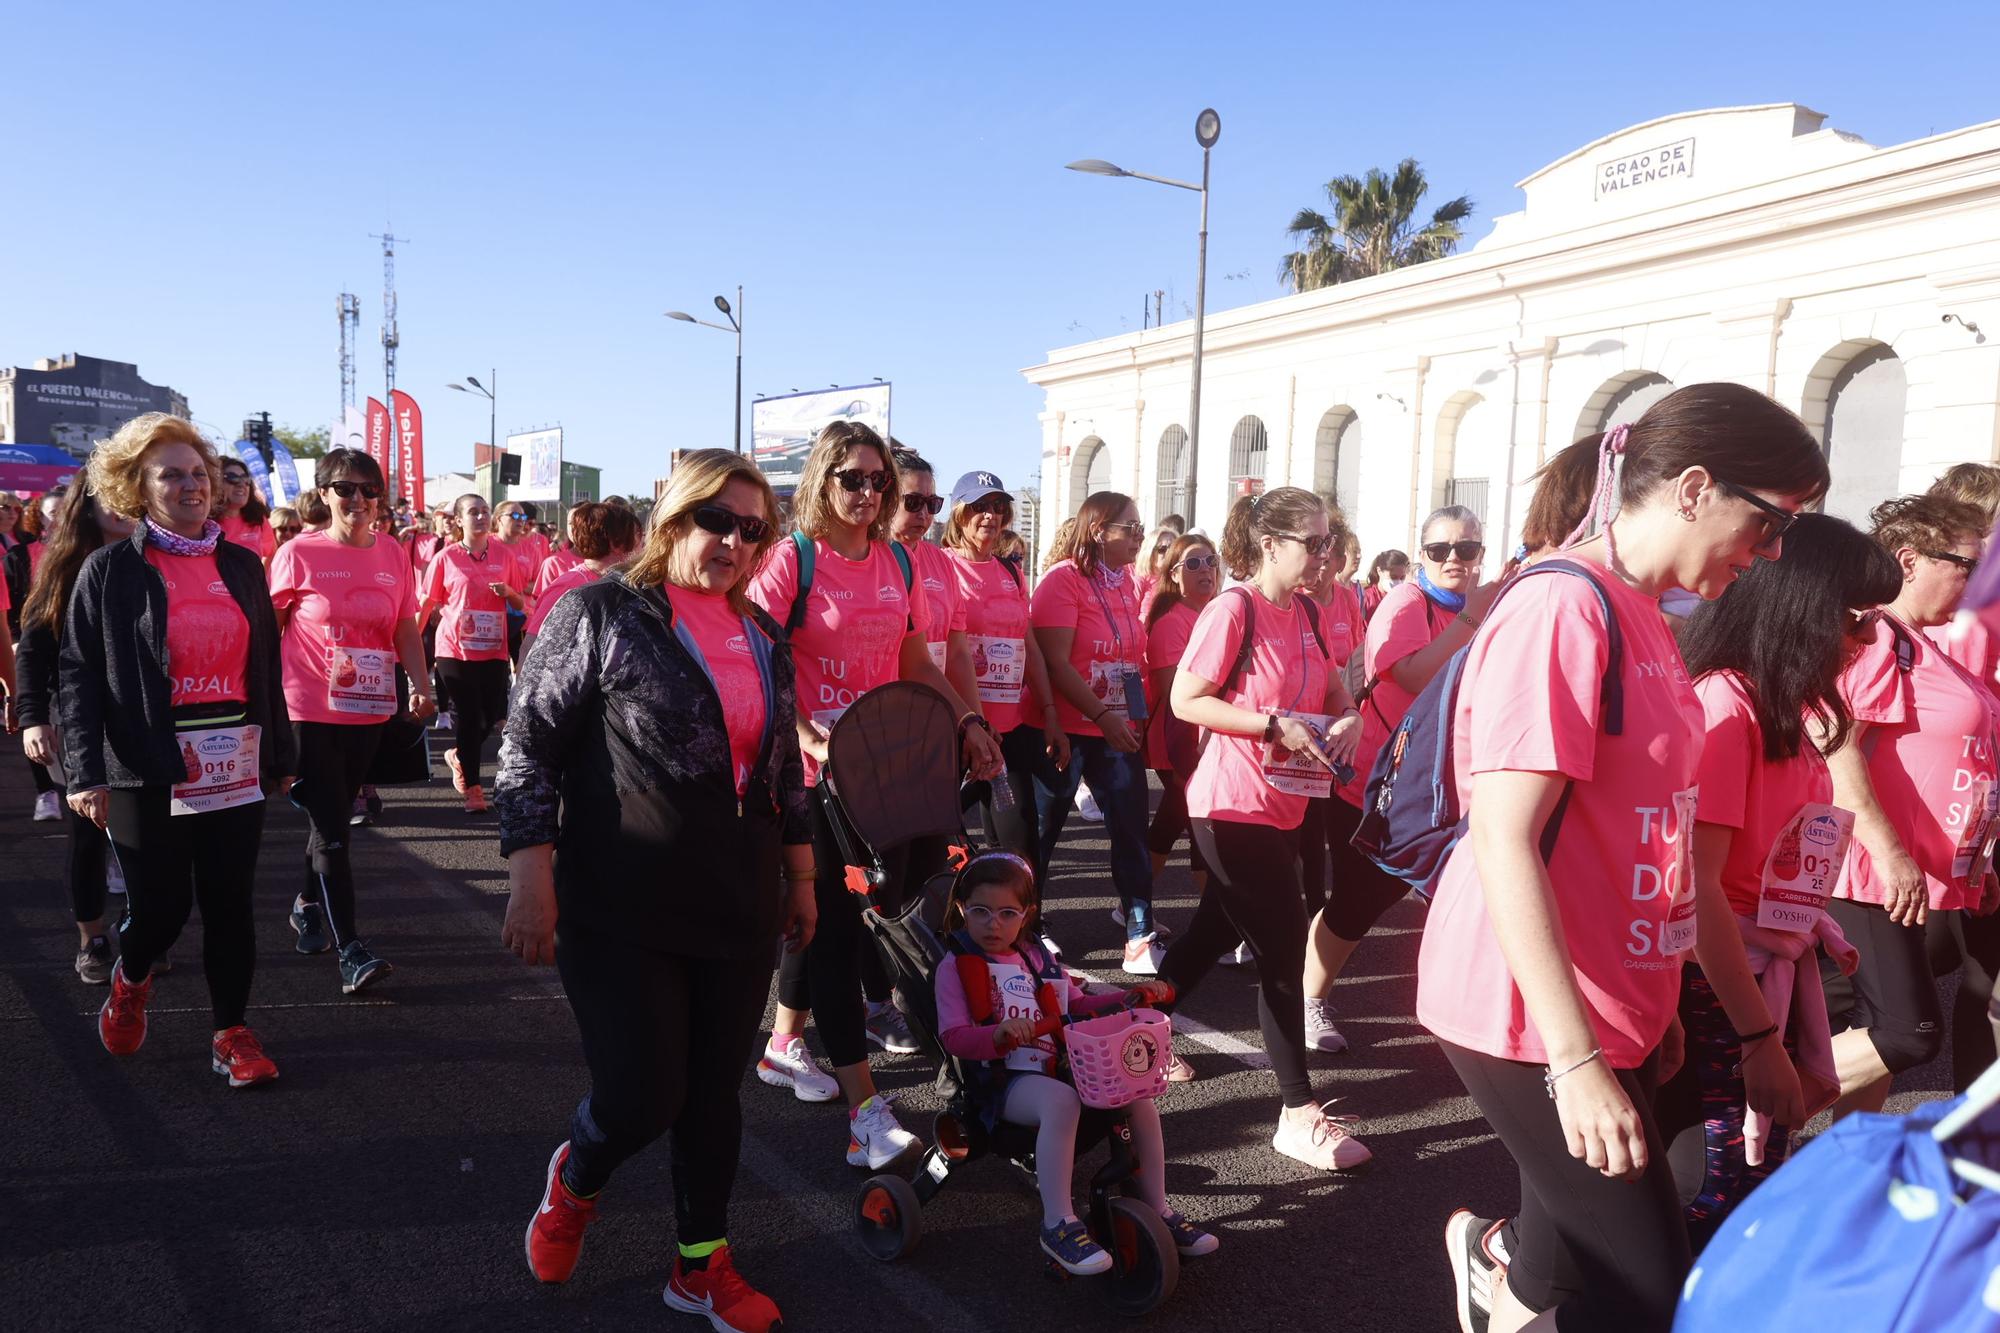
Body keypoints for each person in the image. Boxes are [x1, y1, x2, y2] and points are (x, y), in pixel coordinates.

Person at [1426, 384, 1828, 1332]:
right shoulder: (1564, 606)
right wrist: (1574, 1059)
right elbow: (1504, 833)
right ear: (1694, 488)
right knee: (1652, 1294)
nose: (1771, 554)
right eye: (1770, 524)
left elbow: (1655, 830)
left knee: (1567, 1273)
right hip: (1526, 1014)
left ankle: (1495, 1281)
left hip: (1617, 1000)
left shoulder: (1643, 608)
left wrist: (1655, 1000)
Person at [500, 449, 811, 1333]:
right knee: (641, 1094)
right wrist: (530, 873)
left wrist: (800, 876)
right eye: (717, 519)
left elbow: (784, 770)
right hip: (620, 901)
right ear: (673, 517)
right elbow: (529, 749)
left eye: (754, 529)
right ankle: (577, 1179)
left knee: (714, 1093)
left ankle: (700, 1264)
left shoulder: (764, 635)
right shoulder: (598, 612)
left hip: (738, 896)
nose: (734, 541)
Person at [746, 422, 999, 1166]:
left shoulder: (896, 560)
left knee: (876, 917)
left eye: (878, 482)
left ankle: (787, 1041)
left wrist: (967, 719)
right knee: (832, 928)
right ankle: (864, 1111)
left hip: (882, 768)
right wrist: (805, 734)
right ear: (822, 480)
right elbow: (762, 662)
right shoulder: (791, 560)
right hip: (810, 778)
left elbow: (913, 653)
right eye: (853, 479)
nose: (868, 494)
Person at [1645, 514, 1896, 1251]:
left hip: (1762, 976)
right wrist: (1758, 1035)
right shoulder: (1728, 707)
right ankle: (1517, 1266)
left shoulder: (1778, 707)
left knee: (1737, 1184)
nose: (1867, 640)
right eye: (1856, 618)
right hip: (1718, 989)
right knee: (1714, 1193)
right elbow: (1701, 890)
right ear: (1799, 603)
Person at [59, 413, 298, 1087]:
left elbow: (266, 664)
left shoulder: (244, 564)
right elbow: (76, 671)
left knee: (229, 900)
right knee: (161, 907)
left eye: (199, 473)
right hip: (144, 760)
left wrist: (280, 752)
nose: (192, 485)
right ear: (136, 484)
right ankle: (131, 978)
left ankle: (232, 1034)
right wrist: (84, 772)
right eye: (171, 474)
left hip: (234, 755)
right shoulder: (110, 570)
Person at [1158, 486, 1370, 1170]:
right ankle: (1296, 1111)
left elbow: (1336, 689)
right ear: (1271, 543)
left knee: (1208, 936)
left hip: (1288, 803)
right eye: (1314, 542)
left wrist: (1348, 718)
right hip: (1228, 806)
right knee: (1282, 948)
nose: (1325, 554)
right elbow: (1185, 698)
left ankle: (1132, 1027)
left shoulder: (1307, 610)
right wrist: (1267, 724)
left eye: (1330, 540)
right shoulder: (1232, 608)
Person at [932, 850, 1216, 1273]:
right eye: (980, 911)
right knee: (1061, 1102)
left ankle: (1157, 1205)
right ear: (961, 909)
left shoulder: (1037, 958)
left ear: (1026, 915)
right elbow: (953, 1036)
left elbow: (1078, 1003)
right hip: (998, 1082)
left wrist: (1128, 997)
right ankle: (1057, 1224)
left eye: (1007, 913)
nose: (994, 924)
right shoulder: (954, 967)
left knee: (1138, 1096)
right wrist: (996, 1033)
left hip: (1055, 1066)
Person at [1820, 493, 2000, 1119]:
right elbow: (1836, 752)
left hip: (1922, 877)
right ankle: (1744, 1094)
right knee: (1908, 1034)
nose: (1977, 581)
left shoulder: (1931, 646)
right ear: (1909, 559)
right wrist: (1890, 852)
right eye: (1967, 564)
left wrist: (1975, 860)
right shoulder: (1877, 639)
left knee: (1880, 1030)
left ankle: (1846, 1177)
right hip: (1871, 876)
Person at [1305, 507, 1506, 1055]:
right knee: (1359, 899)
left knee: (1455, 888)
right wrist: (1474, 617)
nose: (1454, 561)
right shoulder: (1407, 602)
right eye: (1440, 551)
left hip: (1443, 781)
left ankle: (1461, 1008)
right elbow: (1414, 674)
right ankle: (1308, 999)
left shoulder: (1481, 605)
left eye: (1466, 550)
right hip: (1376, 781)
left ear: (1481, 553)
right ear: (1423, 555)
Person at [269, 449, 436, 993]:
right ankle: (352, 951)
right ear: (324, 495)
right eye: (345, 489)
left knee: (333, 816)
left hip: (368, 708)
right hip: (307, 708)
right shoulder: (298, 554)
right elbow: (269, 631)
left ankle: (306, 904)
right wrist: (262, 708)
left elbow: (405, 626)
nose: (358, 500)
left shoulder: (392, 552)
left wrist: (421, 682)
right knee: (333, 829)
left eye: (369, 490)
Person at [1030, 491, 1171, 972]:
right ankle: (1030, 928)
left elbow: (1130, 655)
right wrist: (1104, 718)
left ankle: (1138, 933)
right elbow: (1056, 663)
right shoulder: (1062, 580)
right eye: (1128, 528)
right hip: (1067, 729)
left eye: (1139, 527)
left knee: (1131, 828)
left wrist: (1132, 714)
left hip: (1118, 727)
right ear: (1097, 530)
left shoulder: (1125, 582)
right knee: (1042, 835)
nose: (1138, 536)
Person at [16, 482, 138, 982]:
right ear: (86, 505)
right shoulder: (63, 566)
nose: (122, 504)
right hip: (82, 723)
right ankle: (93, 939)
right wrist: (32, 716)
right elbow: (33, 647)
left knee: (151, 840)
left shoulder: (162, 558)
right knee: (90, 835)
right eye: (110, 493)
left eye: (131, 492)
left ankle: (144, 932)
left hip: (151, 725)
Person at [939, 470, 1069, 905]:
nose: (989, 516)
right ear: (958, 513)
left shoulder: (1010, 572)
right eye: (979, 507)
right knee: (943, 840)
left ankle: (1023, 931)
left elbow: (1026, 641)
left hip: (1009, 728)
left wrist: (1049, 711)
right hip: (957, 729)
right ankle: (949, 929)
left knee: (1018, 838)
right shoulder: (941, 569)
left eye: (997, 507)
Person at [419, 493, 525, 813]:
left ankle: (457, 756)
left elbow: (521, 604)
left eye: (484, 511)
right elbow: (427, 602)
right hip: (454, 648)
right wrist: (406, 643)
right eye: (473, 512)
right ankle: (475, 790)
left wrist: (508, 593)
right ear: (459, 520)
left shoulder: (505, 556)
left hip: (492, 648)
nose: (480, 517)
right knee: (468, 717)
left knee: (490, 716)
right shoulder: (446, 558)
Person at [1143, 534, 1219, 903]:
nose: (1205, 569)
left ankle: (1133, 906)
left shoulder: (1218, 613)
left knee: (1175, 820)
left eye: (1210, 561)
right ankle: (1215, 921)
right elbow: (1175, 698)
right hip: (1180, 741)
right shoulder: (1171, 623)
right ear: (1173, 575)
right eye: (1193, 563)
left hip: (1211, 737)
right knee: (1197, 820)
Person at [519, 501, 641, 660]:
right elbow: (531, 646)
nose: (643, 546)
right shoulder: (568, 586)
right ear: (616, 543)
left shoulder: (624, 583)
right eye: (638, 535)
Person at [11, 488, 64, 820]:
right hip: (34, 647)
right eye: (51, 513)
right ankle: (46, 791)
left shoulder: (95, 554)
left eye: (64, 510)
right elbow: (14, 607)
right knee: (37, 720)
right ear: (39, 517)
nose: (58, 518)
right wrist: (15, 640)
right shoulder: (20, 556)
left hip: (71, 656)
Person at [493, 502, 547, 663]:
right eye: (514, 515)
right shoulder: (487, 544)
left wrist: (514, 587)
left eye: (522, 516)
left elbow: (539, 586)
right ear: (499, 519)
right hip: (491, 619)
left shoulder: (532, 550)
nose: (520, 520)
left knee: (523, 668)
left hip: (523, 618)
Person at [213, 457, 276, 567]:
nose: (241, 484)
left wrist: (258, 578)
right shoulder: (203, 523)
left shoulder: (257, 519)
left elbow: (270, 553)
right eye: (232, 478)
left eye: (245, 479)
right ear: (215, 483)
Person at [532, 506, 588, 597]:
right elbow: (545, 605)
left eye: (582, 521)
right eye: (571, 523)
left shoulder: (609, 562)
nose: (575, 527)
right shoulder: (553, 562)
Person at [1359, 548, 1409, 621]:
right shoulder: (1366, 598)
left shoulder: (1405, 598)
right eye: (1393, 577)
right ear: (1379, 571)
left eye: (1402, 578)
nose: (1398, 581)